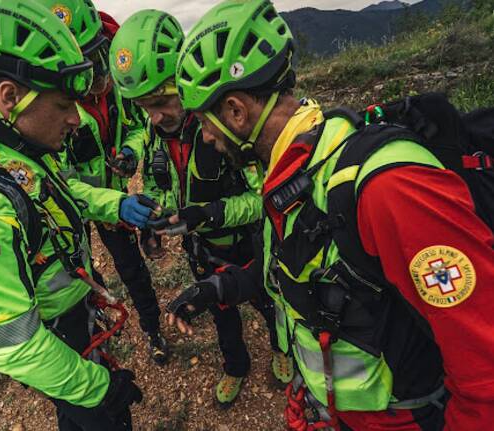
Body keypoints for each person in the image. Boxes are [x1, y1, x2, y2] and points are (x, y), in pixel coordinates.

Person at [167, 0, 494, 429]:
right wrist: (218, 287)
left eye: (205, 123)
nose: (206, 138)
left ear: (235, 111)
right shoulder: (295, 173)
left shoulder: (385, 189)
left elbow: (484, 365)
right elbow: (300, 272)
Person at [0, 1, 142, 429]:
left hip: (72, 318)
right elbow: (11, 343)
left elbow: (51, 194)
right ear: (9, 96)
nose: (77, 119)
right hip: (57, 343)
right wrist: (100, 388)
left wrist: (115, 204)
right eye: (63, 106)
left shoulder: (3, 145)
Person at [110, 9, 293, 408]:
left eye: (161, 101)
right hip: (203, 250)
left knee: (268, 301)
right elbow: (161, 183)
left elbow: (261, 199)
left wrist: (208, 213)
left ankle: (283, 348)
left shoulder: (224, 132)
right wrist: (154, 223)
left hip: (246, 245)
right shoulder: (159, 135)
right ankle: (235, 365)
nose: (155, 116)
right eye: (144, 107)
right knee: (222, 313)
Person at [40, 0, 169, 366]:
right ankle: (96, 329)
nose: (97, 77)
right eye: (85, 67)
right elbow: (58, 183)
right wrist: (112, 203)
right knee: (81, 270)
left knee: (131, 267)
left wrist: (129, 152)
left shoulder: (115, 83)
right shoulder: (55, 108)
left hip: (114, 197)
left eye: (99, 59)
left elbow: (134, 126)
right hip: (83, 206)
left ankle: (153, 329)